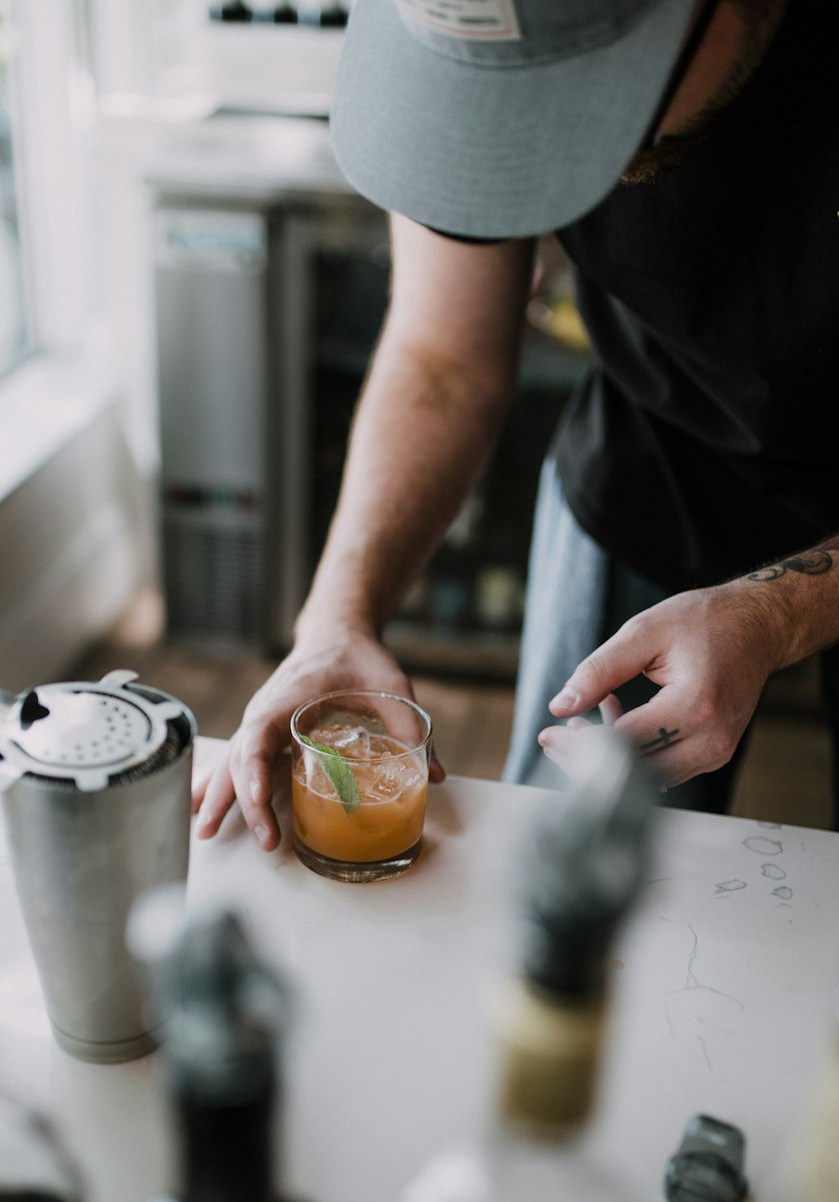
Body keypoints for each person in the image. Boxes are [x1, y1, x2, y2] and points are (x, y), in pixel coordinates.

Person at [194, 0, 839, 850]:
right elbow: (442, 358)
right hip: (662, 445)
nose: (555, 136)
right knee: (571, 861)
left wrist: (781, 612)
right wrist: (336, 621)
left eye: (601, 91)